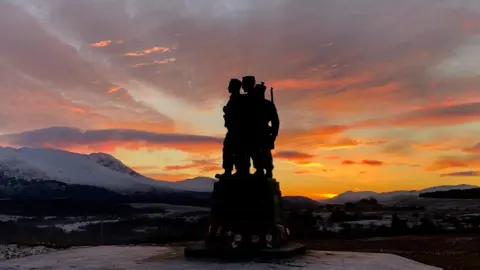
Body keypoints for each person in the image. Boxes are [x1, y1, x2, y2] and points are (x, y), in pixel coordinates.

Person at [217, 78, 243, 178]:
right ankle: (228, 171)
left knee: (237, 151)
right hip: (232, 129)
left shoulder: (239, 99)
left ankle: (239, 171)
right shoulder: (232, 99)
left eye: (230, 86)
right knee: (228, 150)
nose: (228, 88)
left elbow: (239, 114)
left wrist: (227, 111)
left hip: (238, 130)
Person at [240, 75, 265, 176]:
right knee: (245, 151)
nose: (242, 86)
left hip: (253, 129)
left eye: (244, 84)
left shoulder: (256, 99)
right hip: (245, 129)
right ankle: (245, 170)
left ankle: (259, 170)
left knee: (254, 151)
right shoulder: (244, 98)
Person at [254, 82, 279, 178]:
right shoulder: (253, 105)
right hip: (254, 132)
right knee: (255, 152)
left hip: (264, 132)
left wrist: (273, 135)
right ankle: (259, 170)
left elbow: (275, 122)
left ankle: (268, 170)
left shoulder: (268, 105)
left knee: (265, 152)